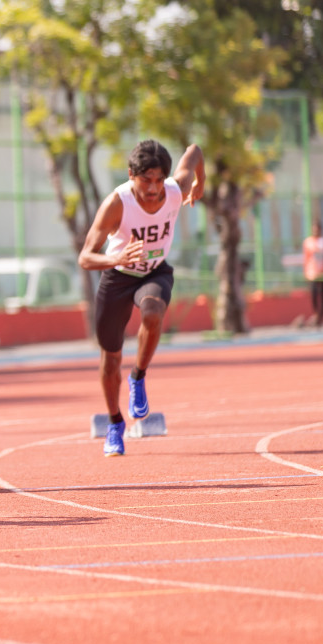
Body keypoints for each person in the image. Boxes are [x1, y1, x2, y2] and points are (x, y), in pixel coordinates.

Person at [78, 139, 205, 457]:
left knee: (152, 312)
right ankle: (115, 423)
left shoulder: (175, 191)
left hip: (154, 272)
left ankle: (138, 377)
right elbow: (86, 258)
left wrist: (199, 183)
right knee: (110, 361)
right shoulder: (117, 203)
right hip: (117, 277)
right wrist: (115, 260)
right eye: (146, 180)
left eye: (159, 180)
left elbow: (195, 152)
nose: (153, 188)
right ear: (131, 175)